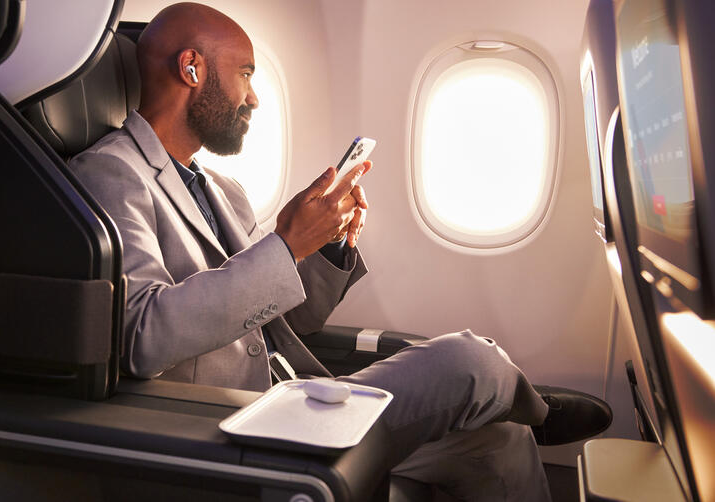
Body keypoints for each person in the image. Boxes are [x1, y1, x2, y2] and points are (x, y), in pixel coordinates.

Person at [70, 3, 610, 500]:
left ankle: (520, 412)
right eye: (246, 74)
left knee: (499, 445)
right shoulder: (112, 174)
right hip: (230, 421)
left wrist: (324, 247)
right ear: (192, 68)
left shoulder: (220, 188)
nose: (253, 97)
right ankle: (530, 404)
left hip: (296, 397)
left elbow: (285, 322)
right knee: (467, 359)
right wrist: (286, 245)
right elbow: (143, 335)